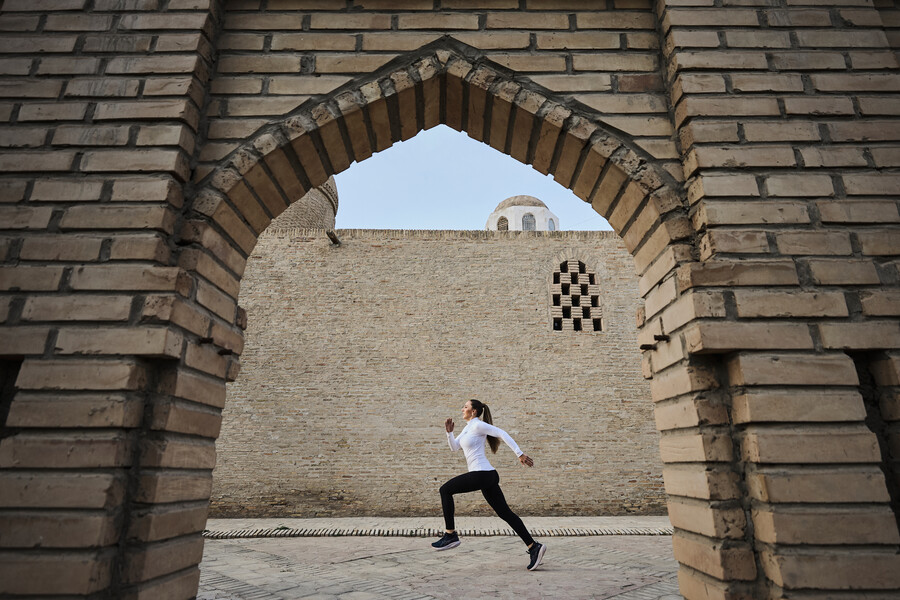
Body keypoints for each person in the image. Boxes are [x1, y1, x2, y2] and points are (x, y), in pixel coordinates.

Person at [431, 399, 546, 571]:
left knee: (445, 490)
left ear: (474, 411)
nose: (462, 409)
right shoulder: (467, 427)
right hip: (487, 476)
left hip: (482, 474)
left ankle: (450, 534)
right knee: (505, 513)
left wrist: (519, 454)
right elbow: (454, 448)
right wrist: (449, 434)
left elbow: (502, 433)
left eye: (466, 407)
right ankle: (533, 546)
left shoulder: (478, 425)